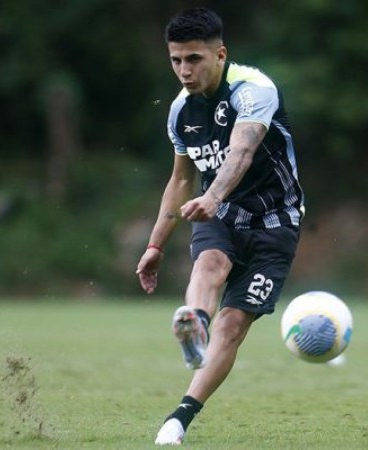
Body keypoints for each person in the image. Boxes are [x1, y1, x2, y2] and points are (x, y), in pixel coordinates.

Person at [136, 7, 304, 446]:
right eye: (176, 60)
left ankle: (180, 417)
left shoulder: (253, 91)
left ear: (220, 53)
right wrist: (156, 244)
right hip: (223, 217)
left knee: (232, 326)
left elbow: (241, 152)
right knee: (209, 263)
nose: (184, 71)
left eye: (194, 59)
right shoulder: (180, 112)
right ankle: (193, 321)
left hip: (276, 222)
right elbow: (180, 179)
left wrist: (212, 197)